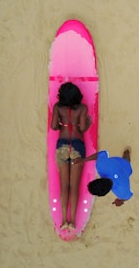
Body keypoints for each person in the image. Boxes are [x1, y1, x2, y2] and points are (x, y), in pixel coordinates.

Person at [51, 82, 91, 231]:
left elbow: (54, 126)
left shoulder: (57, 107)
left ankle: (63, 220)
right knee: (74, 186)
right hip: (77, 146)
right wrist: (87, 123)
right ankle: (73, 221)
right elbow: (81, 128)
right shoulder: (82, 108)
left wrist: (63, 124)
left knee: (64, 186)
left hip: (62, 145)